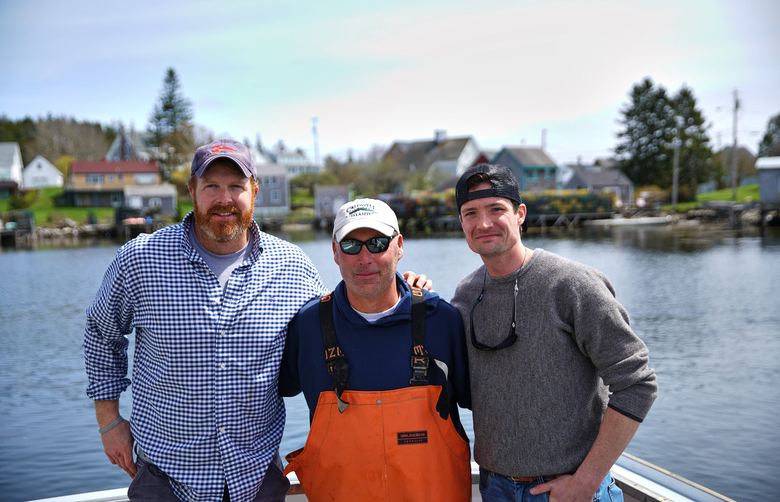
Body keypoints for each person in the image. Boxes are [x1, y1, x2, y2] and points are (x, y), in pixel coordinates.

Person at [84, 140, 429, 502]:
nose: (224, 199)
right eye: (211, 186)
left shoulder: (291, 266)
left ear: (254, 191)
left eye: (236, 186)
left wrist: (403, 288)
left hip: (256, 479)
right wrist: (109, 421)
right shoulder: (141, 259)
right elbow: (102, 335)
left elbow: (343, 320)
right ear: (192, 191)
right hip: (166, 478)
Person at [450, 164, 658, 502]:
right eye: (470, 213)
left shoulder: (572, 285)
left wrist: (586, 482)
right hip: (495, 487)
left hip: (570, 490)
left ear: (520, 214)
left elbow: (637, 383)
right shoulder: (464, 296)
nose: (483, 223)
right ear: (461, 223)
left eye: (496, 210)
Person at [279, 198, 472, 501]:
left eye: (378, 243)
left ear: (399, 246)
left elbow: (490, 409)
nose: (364, 258)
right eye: (351, 245)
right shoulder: (307, 326)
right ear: (334, 251)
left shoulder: (442, 320)